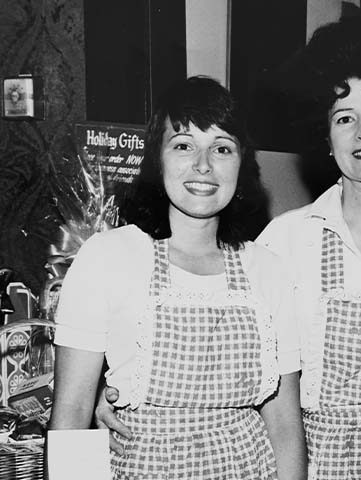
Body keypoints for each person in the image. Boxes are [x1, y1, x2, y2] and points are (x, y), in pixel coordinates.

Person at [96, 15, 361, 479]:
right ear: (324, 136)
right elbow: (227, 360)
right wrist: (111, 389)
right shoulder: (283, 241)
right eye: (344, 118)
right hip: (315, 463)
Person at [49, 76, 307, 479]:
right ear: (158, 159)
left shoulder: (269, 270)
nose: (203, 165)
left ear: (242, 163)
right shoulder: (106, 257)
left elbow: (285, 426)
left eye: (222, 148)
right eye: (184, 145)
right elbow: (71, 415)